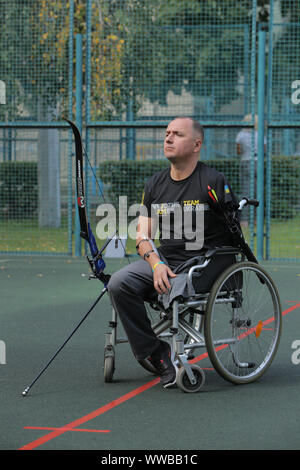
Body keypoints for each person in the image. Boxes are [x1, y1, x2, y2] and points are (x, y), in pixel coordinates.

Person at [107, 117, 238, 389]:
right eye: (167, 133)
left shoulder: (213, 180)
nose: (167, 138)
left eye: (177, 134)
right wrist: (155, 264)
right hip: (166, 262)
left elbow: (234, 236)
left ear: (196, 144)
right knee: (119, 283)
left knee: (173, 287)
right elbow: (143, 237)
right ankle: (158, 353)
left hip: (205, 263)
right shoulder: (154, 184)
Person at [235, 114, 266, 225]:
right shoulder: (260, 134)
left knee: (246, 192)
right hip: (258, 162)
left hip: (246, 161)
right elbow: (264, 149)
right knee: (259, 192)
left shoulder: (241, 135)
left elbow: (239, 151)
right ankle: (257, 220)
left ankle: (244, 220)